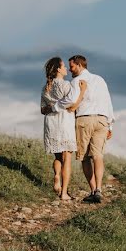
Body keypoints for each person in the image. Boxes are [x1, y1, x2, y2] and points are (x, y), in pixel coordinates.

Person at [66, 54, 115, 203]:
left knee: (85, 157)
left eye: (72, 66)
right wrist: (110, 125)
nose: (69, 70)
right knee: (98, 155)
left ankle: (93, 190)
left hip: (84, 119)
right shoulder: (100, 79)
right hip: (102, 119)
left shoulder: (75, 81)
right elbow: (108, 101)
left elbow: (72, 102)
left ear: (80, 65)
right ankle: (99, 189)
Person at [40, 56, 85, 201]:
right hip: (64, 121)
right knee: (67, 157)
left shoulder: (46, 87)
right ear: (58, 69)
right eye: (64, 66)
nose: (66, 68)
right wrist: (82, 91)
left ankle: (57, 176)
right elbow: (72, 101)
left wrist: (52, 107)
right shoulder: (65, 85)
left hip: (51, 122)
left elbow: (42, 110)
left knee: (58, 156)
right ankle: (64, 193)